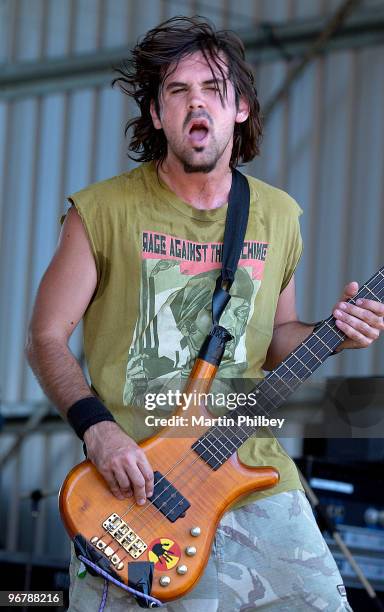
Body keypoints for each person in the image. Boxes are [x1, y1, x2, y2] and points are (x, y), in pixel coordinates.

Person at [26, 16, 384, 612]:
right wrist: (98, 429)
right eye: (178, 91)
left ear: (239, 107)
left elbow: (275, 343)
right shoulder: (101, 212)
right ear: (158, 113)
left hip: (251, 473)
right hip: (138, 489)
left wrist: (338, 333)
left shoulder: (277, 216)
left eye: (214, 90)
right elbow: (44, 337)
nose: (198, 104)